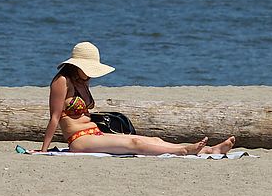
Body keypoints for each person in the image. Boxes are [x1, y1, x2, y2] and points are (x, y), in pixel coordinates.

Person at [37, 42, 236, 155]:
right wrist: (44, 150)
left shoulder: (82, 81)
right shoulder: (61, 81)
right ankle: (183, 151)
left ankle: (209, 150)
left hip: (94, 133)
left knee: (151, 138)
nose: (90, 74)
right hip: (78, 140)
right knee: (133, 144)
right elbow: (55, 117)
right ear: (76, 65)